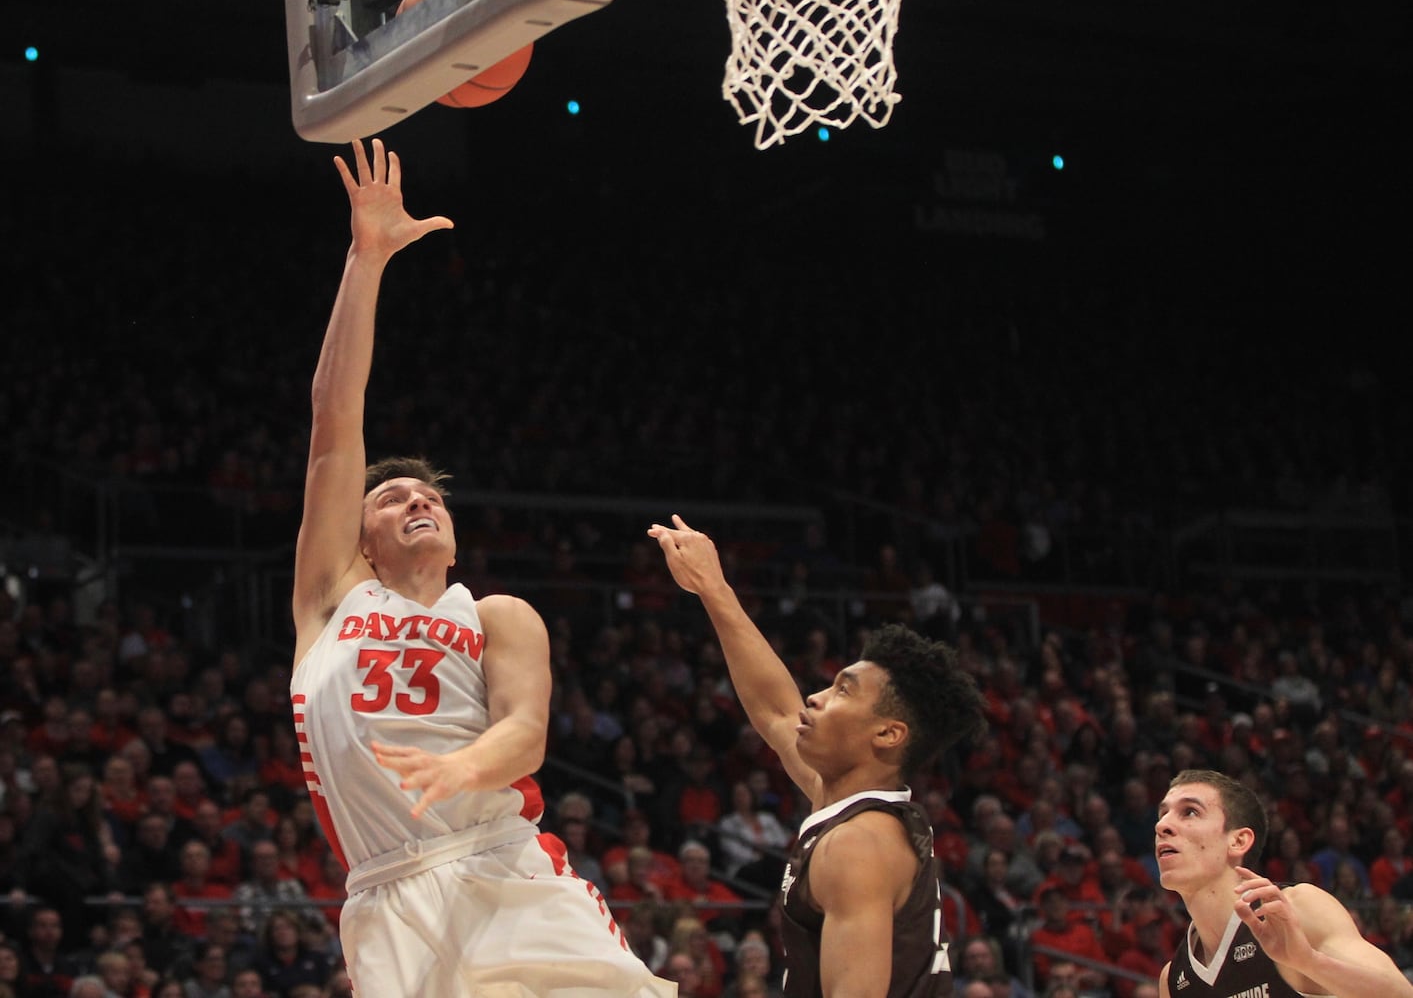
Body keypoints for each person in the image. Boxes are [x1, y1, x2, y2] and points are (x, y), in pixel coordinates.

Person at [287, 138, 670, 997]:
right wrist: (367, 256)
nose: (416, 499)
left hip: (499, 860)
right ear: (360, 539)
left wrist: (464, 768)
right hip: (386, 892)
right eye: (391, 498)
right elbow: (332, 420)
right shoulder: (330, 598)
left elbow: (525, 731)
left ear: (454, 537)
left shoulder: (497, 614)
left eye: (431, 496)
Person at [649, 515, 987, 998]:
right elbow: (774, 711)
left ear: (889, 734)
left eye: (842, 692)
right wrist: (712, 588)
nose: (816, 698)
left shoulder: (858, 847)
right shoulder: (848, 801)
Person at [1154, 768, 1413, 998]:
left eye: (1189, 812)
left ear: (1238, 841)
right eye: (1163, 814)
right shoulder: (1174, 980)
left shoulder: (1297, 908)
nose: (1162, 825)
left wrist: (1308, 961)